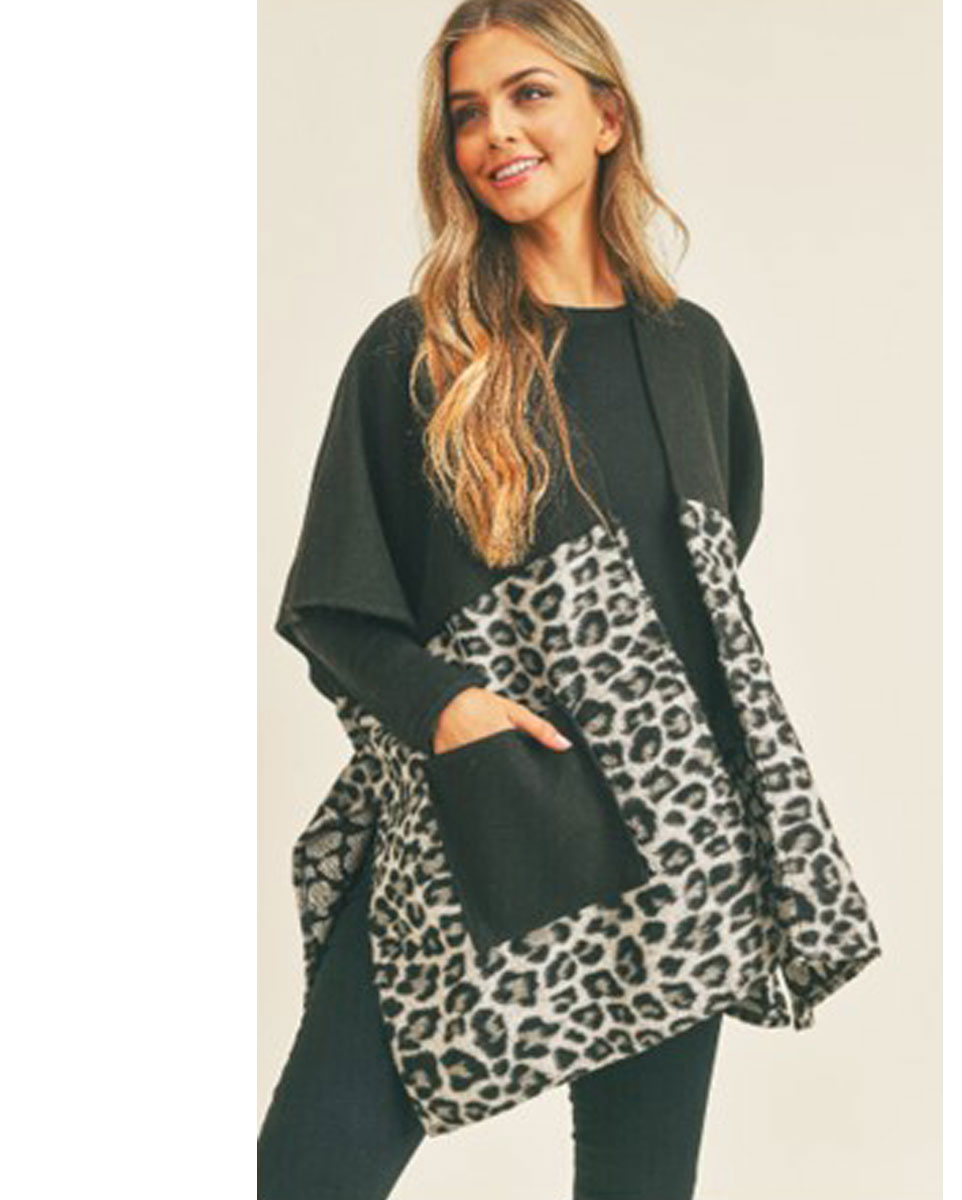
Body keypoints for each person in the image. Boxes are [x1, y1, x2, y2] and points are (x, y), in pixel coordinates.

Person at [260, 2, 883, 1197]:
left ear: (607, 117)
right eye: (466, 112)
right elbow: (332, 604)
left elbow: (708, 572)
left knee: (638, 1186)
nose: (496, 130)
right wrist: (453, 711)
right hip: (486, 810)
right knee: (310, 1170)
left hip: (678, 831)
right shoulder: (418, 349)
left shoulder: (692, 352)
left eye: (529, 93)